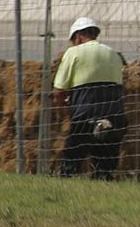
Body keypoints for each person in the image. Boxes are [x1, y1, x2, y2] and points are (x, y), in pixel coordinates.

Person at [53, 16, 128, 180]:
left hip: (85, 117)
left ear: (78, 36)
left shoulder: (73, 53)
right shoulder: (113, 54)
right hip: (114, 117)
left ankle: (65, 185)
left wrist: (64, 109)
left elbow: (59, 91)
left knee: (70, 165)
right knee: (105, 171)